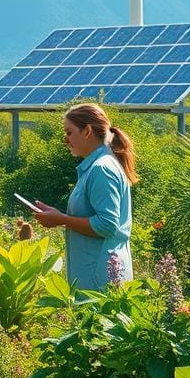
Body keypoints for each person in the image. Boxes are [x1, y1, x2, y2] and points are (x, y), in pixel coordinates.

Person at [32, 103, 137, 290]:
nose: (65, 139)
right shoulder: (97, 166)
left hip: (100, 282)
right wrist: (58, 216)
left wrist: (61, 219)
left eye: (69, 132)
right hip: (97, 276)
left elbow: (106, 225)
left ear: (87, 131)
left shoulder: (102, 169)